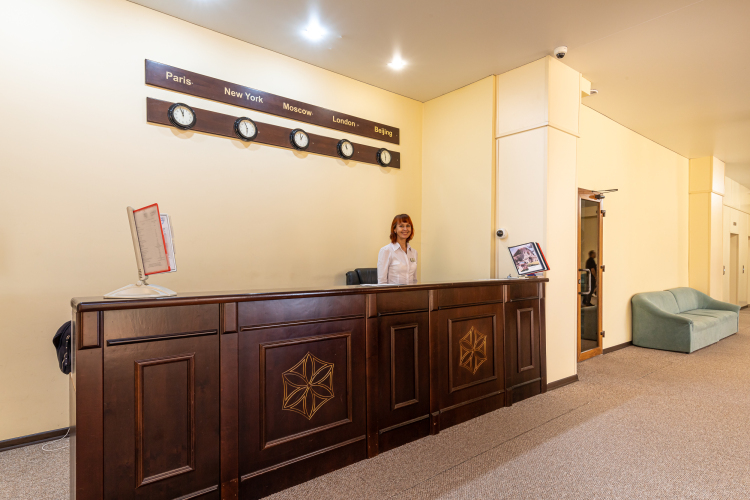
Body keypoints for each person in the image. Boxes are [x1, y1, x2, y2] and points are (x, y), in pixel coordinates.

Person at [377, 214, 418, 285]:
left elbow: (414, 280)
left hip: (411, 291)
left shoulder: (414, 252)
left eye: (408, 226)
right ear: (394, 229)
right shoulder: (386, 251)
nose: (405, 229)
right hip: (393, 292)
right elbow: (382, 282)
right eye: (401, 226)